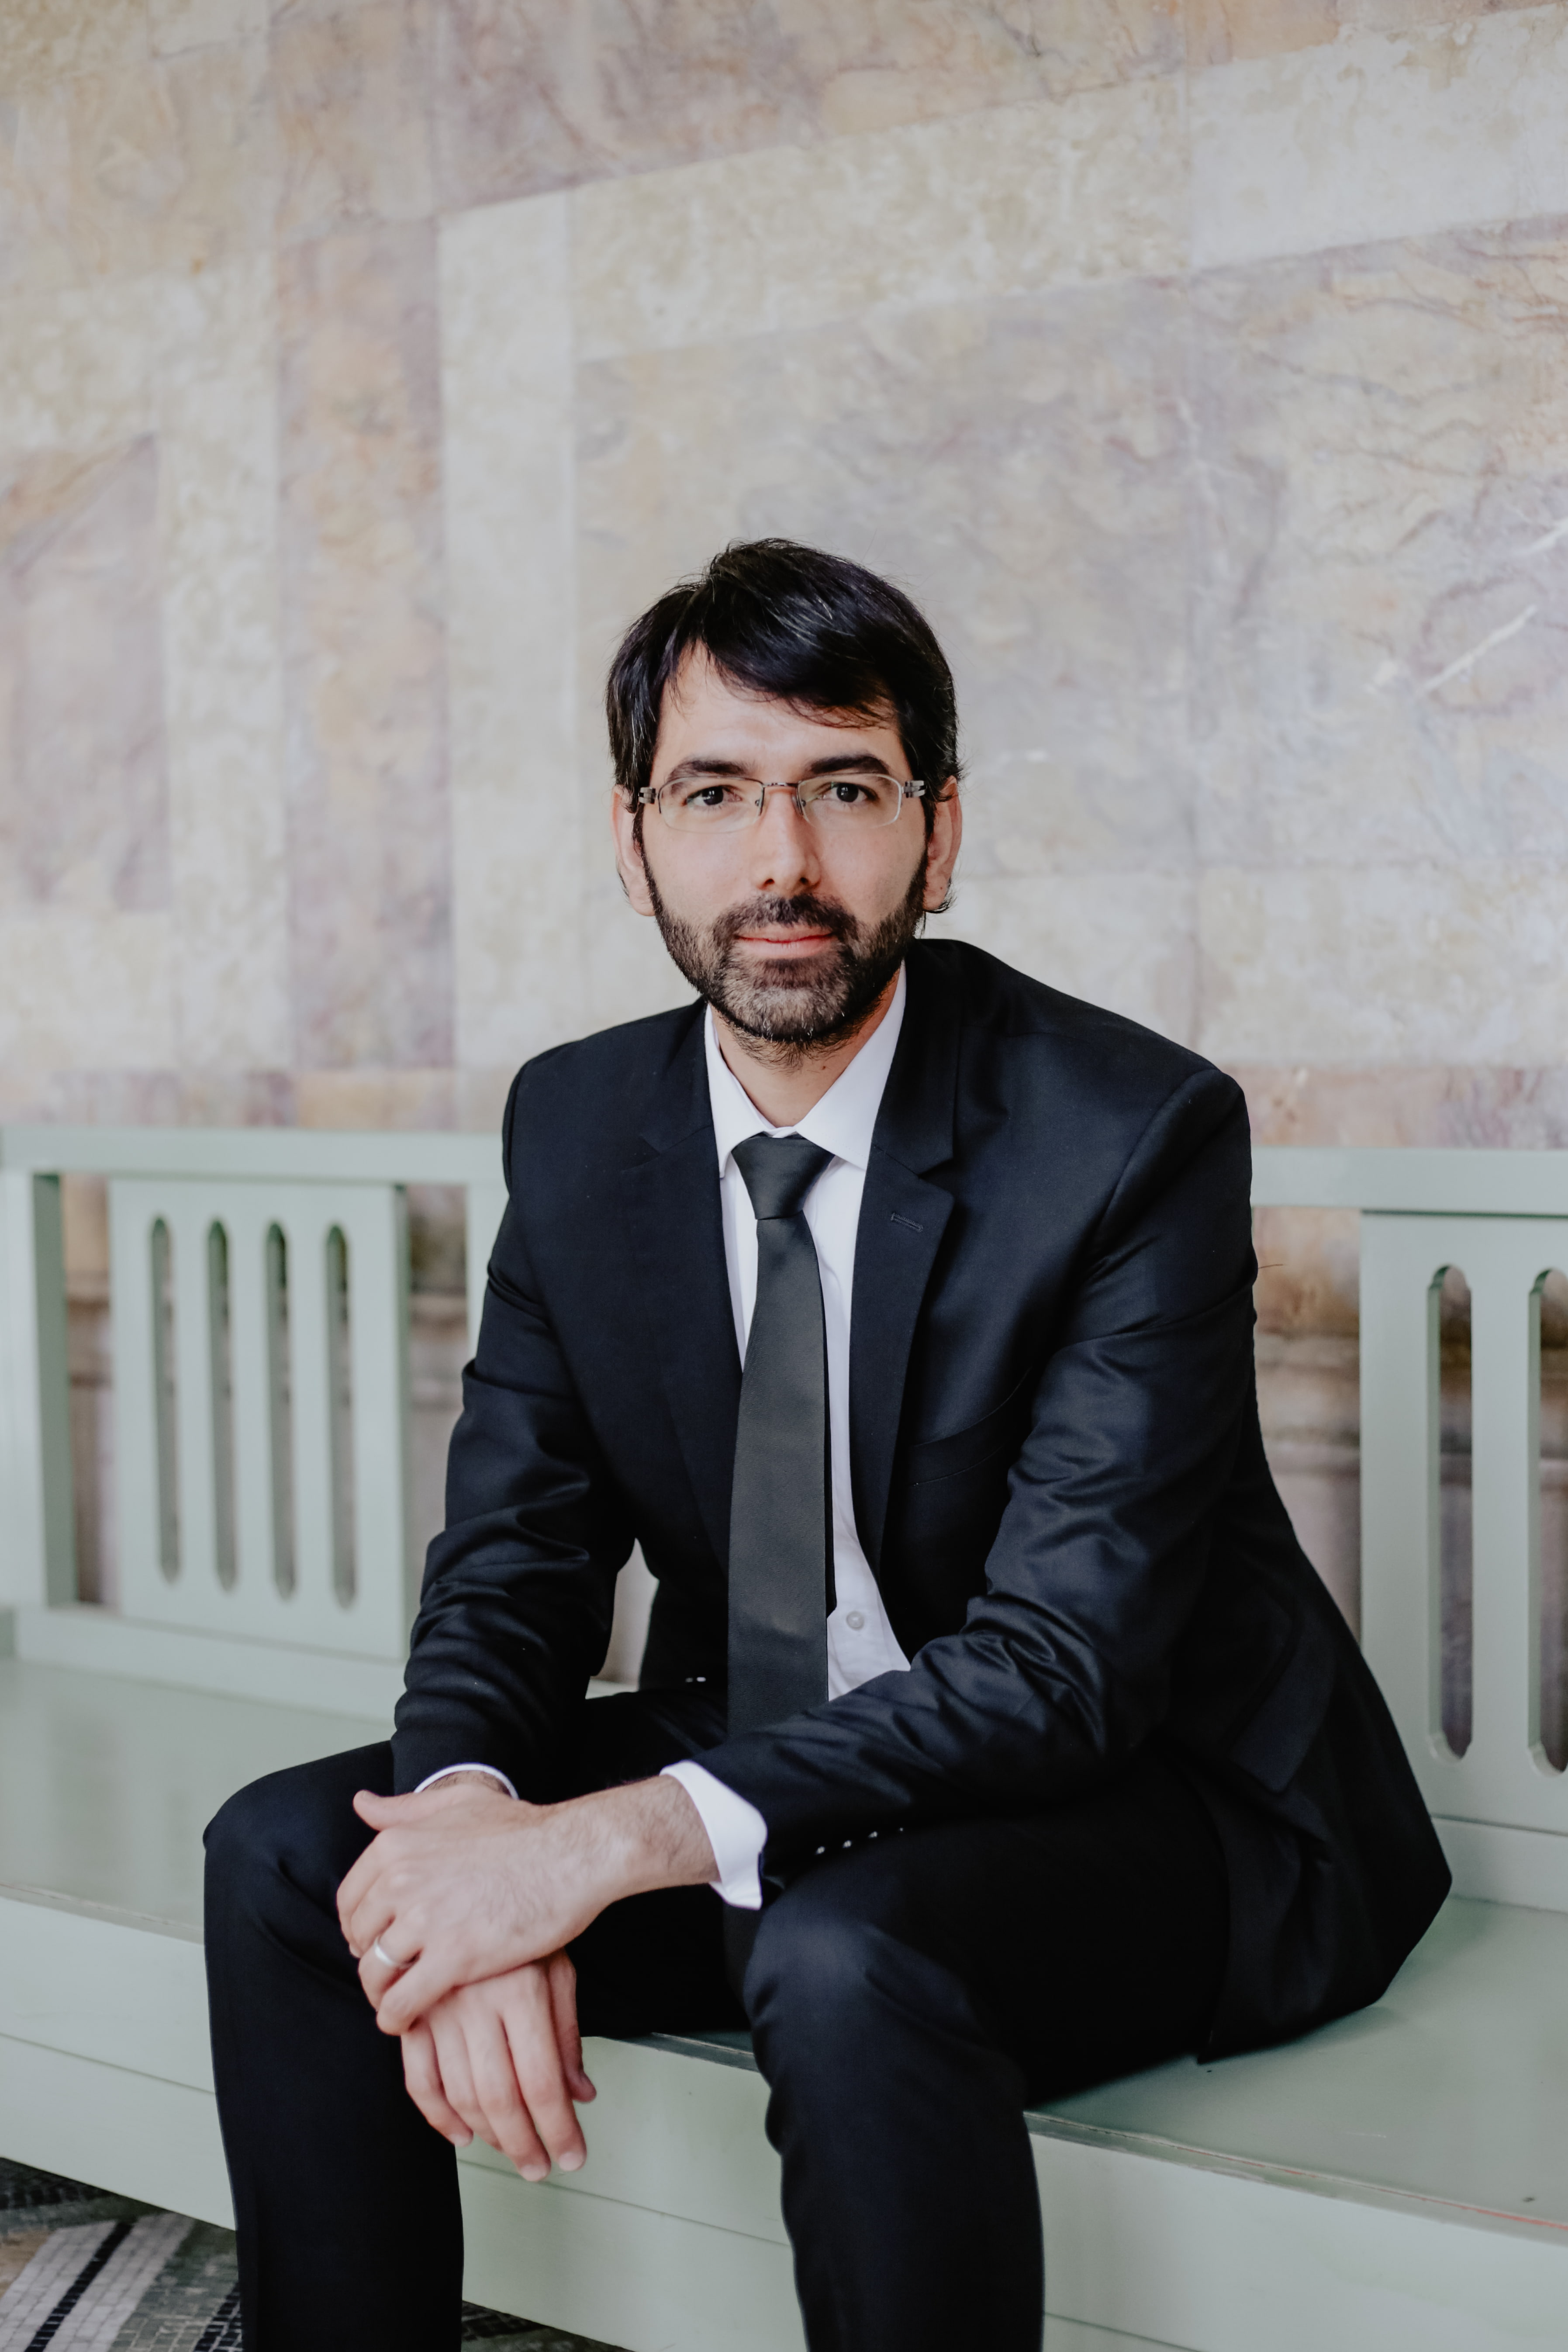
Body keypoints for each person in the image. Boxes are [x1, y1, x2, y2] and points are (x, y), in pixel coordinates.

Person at [205, 539, 1449, 2352]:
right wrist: (470, 1843)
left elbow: (1064, 1667)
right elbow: (515, 1555)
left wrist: (604, 1845)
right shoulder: (576, 1124)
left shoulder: (1129, 1134)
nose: (780, 864)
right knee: (299, 1859)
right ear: (632, 838)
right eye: (715, 793)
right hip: (783, 1758)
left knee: (847, 1951)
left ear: (936, 835)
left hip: (1150, 1802)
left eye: (843, 790)